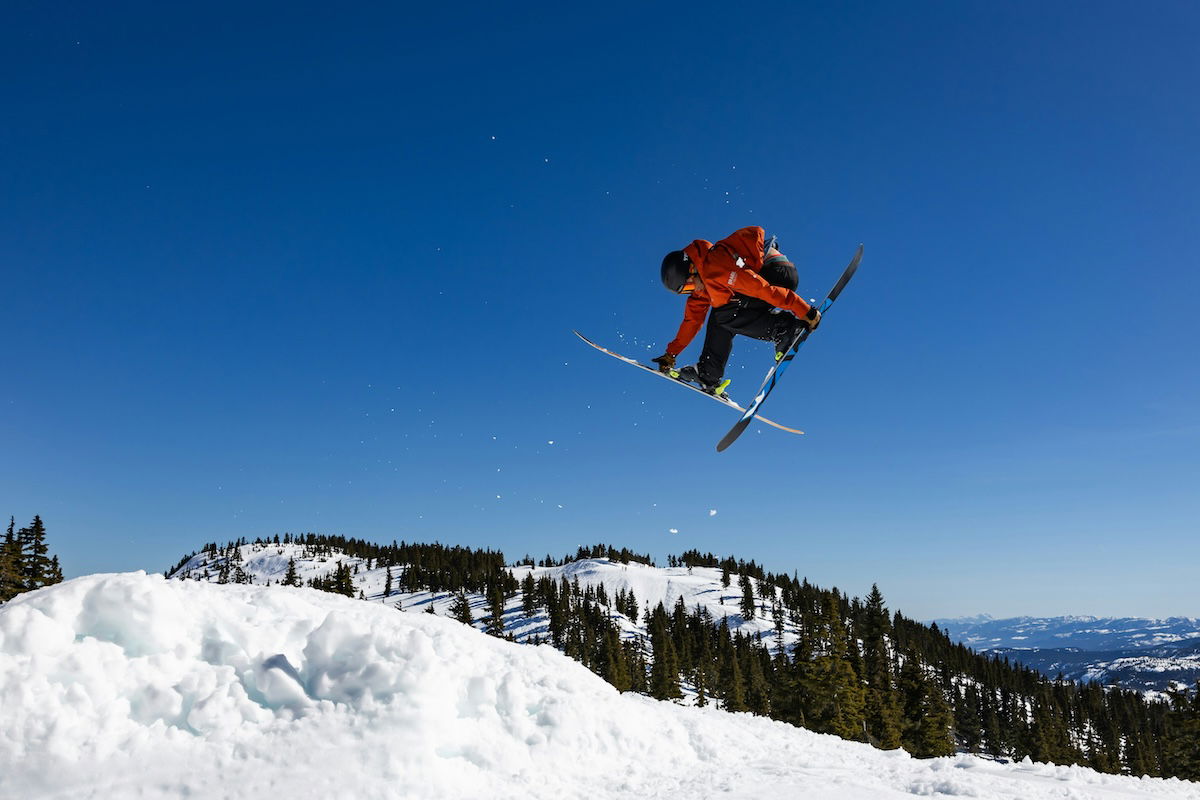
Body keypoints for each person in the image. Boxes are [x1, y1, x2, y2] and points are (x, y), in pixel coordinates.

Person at [651, 226, 821, 396]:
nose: (693, 290)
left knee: (723, 315)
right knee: (721, 315)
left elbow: (759, 289)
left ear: (692, 269)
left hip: (776, 273)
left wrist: (804, 310)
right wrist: (671, 354)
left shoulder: (716, 264)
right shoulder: (703, 288)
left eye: (689, 285)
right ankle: (708, 374)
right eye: (686, 290)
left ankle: (783, 329)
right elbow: (692, 321)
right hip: (769, 279)